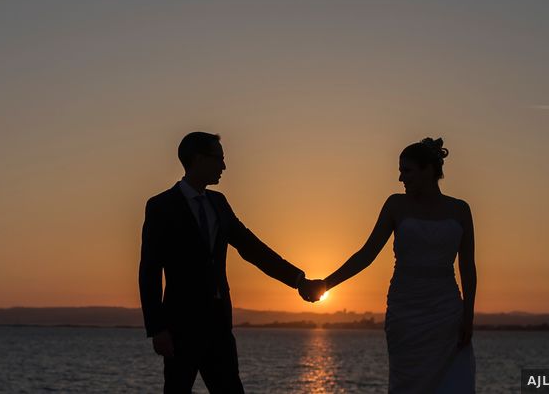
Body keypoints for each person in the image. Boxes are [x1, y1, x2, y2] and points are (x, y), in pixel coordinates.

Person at [139, 132, 324, 393]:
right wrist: (157, 328)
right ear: (198, 159)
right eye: (219, 159)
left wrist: (298, 281)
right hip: (180, 327)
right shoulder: (161, 206)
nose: (224, 166)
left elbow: (252, 248)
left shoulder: (219, 203)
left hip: (219, 325)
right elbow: (149, 271)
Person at [301, 137, 477, 393]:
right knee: (407, 384)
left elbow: (468, 268)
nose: (400, 178)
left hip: (446, 313)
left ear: (429, 170)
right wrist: (326, 284)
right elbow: (367, 254)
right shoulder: (396, 205)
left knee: (452, 382)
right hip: (405, 312)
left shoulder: (460, 210)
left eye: (406, 170)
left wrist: (468, 316)